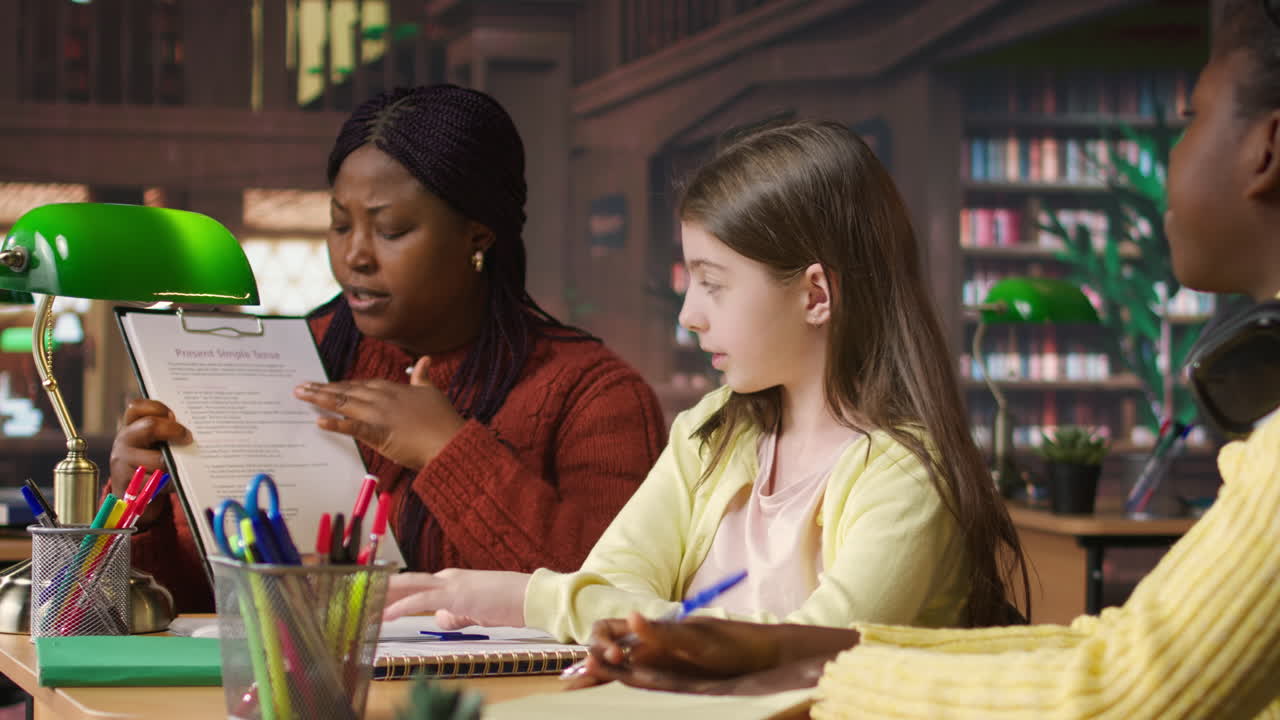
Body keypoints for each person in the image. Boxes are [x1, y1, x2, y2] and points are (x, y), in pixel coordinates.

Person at [568, 2, 1280, 718]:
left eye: (1191, 118)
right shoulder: (722, 426)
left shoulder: (900, 467)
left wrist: (806, 660)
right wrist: (782, 651)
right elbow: (1105, 650)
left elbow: (1117, 694)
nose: (1170, 154)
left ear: (1268, 148)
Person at [381, 120, 1029, 643]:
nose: (690, 315)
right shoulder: (714, 427)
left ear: (815, 294)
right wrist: (572, 605)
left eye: (713, 284)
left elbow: (816, 644)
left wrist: (532, 598)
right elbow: (612, 586)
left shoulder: (905, 471)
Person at [107, 84, 666, 611]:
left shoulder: (592, 394)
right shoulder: (289, 362)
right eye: (339, 225)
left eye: (391, 229)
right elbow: (198, 607)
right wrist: (143, 510)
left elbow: (609, 603)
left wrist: (448, 452)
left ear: (479, 235)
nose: (356, 256)